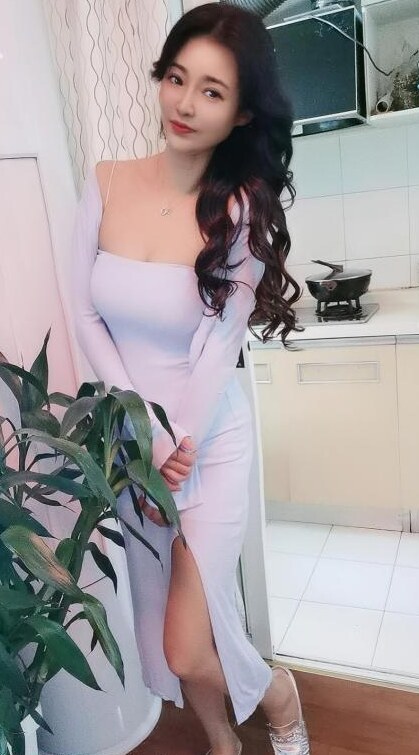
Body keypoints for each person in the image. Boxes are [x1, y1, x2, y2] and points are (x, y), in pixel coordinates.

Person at [71, 3, 310, 754]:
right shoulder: (107, 181)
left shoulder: (240, 208)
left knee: (186, 640)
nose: (184, 102)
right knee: (166, 630)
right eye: (176, 78)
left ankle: (278, 694)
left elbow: (222, 342)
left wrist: (179, 440)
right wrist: (142, 425)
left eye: (211, 91)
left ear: (242, 114)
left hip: (205, 440)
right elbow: (84, 312)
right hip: (133, 441)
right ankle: (221, 741)